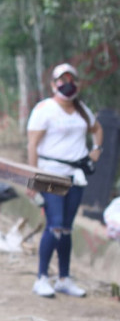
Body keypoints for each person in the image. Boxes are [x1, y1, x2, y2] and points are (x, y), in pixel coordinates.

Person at [27, 63, 104, 298]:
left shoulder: (82, 110)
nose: (67, 84)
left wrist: (96, 150)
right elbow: (32, 144)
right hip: (52, 174)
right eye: (62, 80)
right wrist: (33, 178)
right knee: (55, 224)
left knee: (67, 229)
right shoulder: (45, 109)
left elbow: (97, 129)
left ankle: (64, 278)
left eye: (72, 79)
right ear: (53, 84)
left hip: (76, 176)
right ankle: (41, 278)